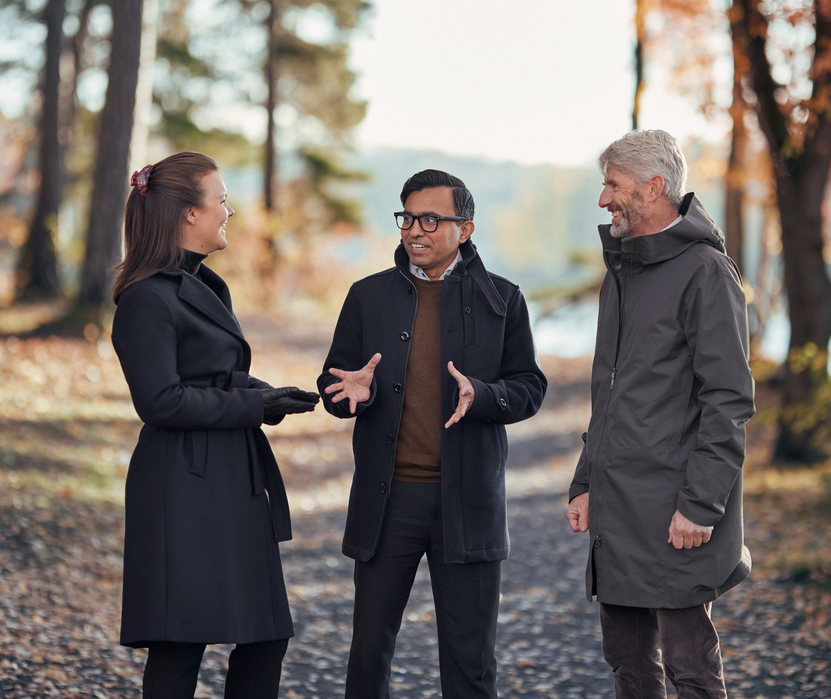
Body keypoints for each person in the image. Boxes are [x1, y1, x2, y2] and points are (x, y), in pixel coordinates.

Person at [318, 169, 547, 699]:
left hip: (467, 504)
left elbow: (530, 387)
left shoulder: (503, 300)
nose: (414, 231)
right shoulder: (366, 296)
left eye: (430, 219)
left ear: (464, 229)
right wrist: (354, 393)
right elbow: (335, 384)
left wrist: (484, 396)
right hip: (388, 500)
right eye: (407, 219)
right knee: (368, 652)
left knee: (471, 665)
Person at [110, 151, 320, 699]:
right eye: (221, 199)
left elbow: (215, 376)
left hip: (230, 480)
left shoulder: (205, 285)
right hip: (183, 487)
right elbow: (161, 401)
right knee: (180, 645)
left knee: (265, 634)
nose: (230, 210)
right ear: (187, 213)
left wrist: (270, 393)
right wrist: (256, 407)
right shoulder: (145, 298)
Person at [565, 130, 755, 699]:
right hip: (618, 503)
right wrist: (585, 480)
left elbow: (728, 398)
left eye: (614, 185)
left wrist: (701, 504)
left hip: (678, 507)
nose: (604, 199)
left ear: (654, 188)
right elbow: (613, 391)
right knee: (628, 663)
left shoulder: (705, 271)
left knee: (690, 668)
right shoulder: (621, 272)